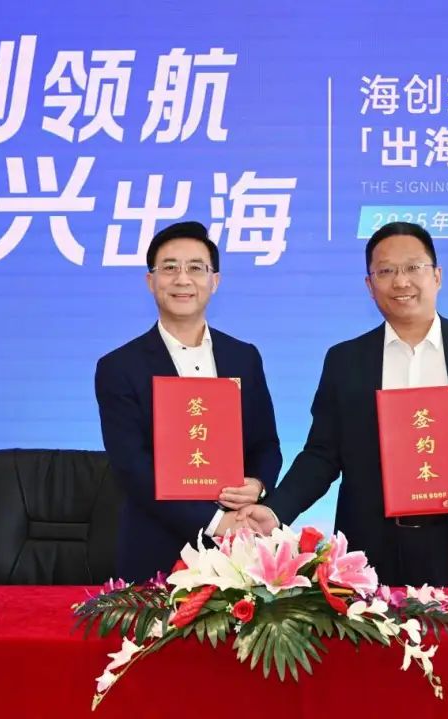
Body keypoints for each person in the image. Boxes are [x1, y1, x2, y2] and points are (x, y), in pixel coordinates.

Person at [239, 222, 448, 587]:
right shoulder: (345, 361)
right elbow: (322, 455)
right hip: (373, 552)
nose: (401, 281)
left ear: (437, 276)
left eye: (413, 267)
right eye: (385, 271)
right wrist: (276, 510)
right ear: (370, 286)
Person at [95, 221, 281, 583]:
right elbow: (132, 467)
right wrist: (216, 522)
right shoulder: (119, 367)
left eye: (196, 268)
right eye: (169, 268)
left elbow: (266, 443)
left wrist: (258, 484)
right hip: (156, 552)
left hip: (240, 552)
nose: (182, 279)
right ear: (151, 281)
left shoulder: (244, 357)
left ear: (215, 281)